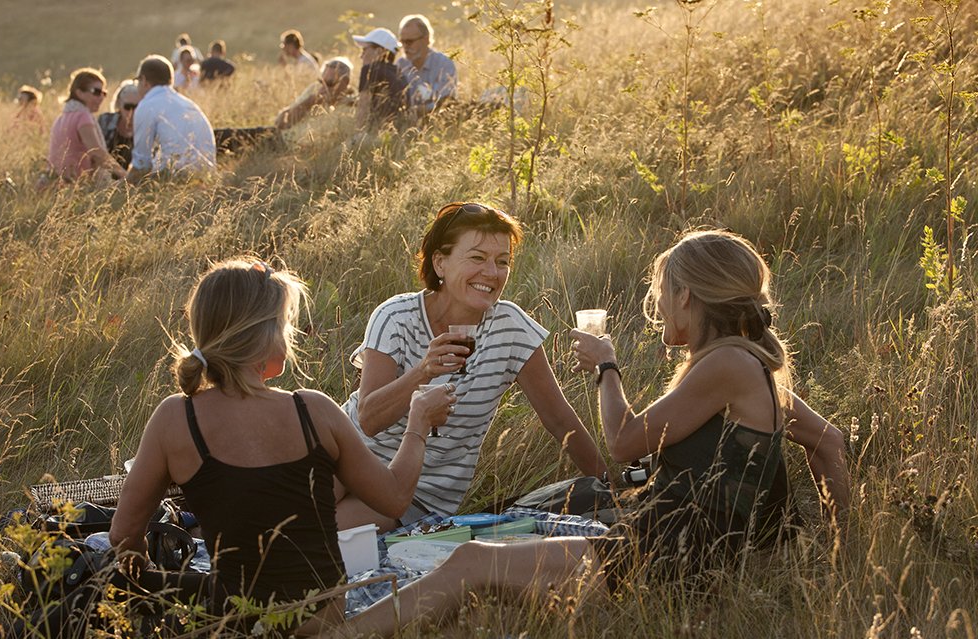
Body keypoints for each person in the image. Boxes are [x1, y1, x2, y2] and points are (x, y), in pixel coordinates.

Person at [332, 229, 852, 637]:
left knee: (470, 562)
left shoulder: (725, 365)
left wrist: (607, 367)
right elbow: (829, 443)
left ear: (688, 296)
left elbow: (624, 440)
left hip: (664, 550)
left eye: (662, 293)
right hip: (671, 540)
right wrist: (841, 547)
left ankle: (334, 637)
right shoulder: (752, 361)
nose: (658, 306)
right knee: (502, 559)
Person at [108, 258, 455, 634]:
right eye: (285, 324)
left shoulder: (175, 418)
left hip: (237, 621)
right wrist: (418, 422)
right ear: (265, 335)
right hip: (322, 622)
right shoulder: (312, 410)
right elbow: (395, 499)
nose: (289, 336)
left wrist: (142, 576)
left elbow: (123, 533)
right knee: (470, 564)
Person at [338, 202, 606, 531]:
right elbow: (367, 419)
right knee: (287, 511)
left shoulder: (510, 328)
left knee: (325, 532)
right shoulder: (395, 316)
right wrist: (423, 371)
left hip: (418, 495)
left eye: (502, 262)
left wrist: (612, 487)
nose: (492, 273)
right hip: (349, 455)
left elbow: (559, 419)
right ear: (440, 262)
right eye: (477, 258)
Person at [126, 55, 216, 183]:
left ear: (144, 80)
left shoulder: (147, 105)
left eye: (137, 81)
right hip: (206, 179)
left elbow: (141, 163)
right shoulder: (189, 104)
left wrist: (118, 190)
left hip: (174, 180)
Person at [46, 68, 126, 182]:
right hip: (76, 186)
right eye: (96, 92)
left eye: (104, 93)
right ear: (79, 93)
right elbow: (97, 153)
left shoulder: (61, 118)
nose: (101, 97)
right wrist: (125, 176)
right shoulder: (83, 117)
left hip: (55, 182)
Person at [397, 15, 457, 116]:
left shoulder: (444, 64)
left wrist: (421, 111)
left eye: (409, 42)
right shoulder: (400, 65)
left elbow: (447, 102)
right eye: (402, 42)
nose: (405, 47)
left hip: (438, 123)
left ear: (426, 39)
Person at [275, 57, 355, 130]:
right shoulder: (315, 88)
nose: (323, 88)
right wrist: (309, 103)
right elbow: (281, 121)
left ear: (345, 82)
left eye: (329, 83)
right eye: (321, 82)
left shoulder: (352, 107)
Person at [352, 28, 408, 130]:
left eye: (365, 50)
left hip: (374, 133)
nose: (361, 56)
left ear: (379, 51)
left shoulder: (369, 70)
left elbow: (363, 107)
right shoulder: (400, 74)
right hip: (397, 133)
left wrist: (356, 134)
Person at [97, 80, 140, 169]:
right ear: (119, 105)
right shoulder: (105, 121)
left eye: (137, 107)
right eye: (127, 107)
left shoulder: (146, 127)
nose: (132, 112)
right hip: (104, 177)